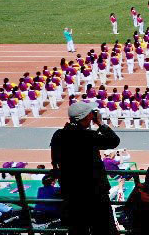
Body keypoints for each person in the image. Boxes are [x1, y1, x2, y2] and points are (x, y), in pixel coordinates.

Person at [49, 100, 120, 235]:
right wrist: (100, 123)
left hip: (71, 193)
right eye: (90, 114)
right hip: (95, 193)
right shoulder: (88, 136)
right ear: (86, 117)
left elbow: (55, 160)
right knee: (104, 229)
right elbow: (114, 141)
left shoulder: (58, 135)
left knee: (78, 230)